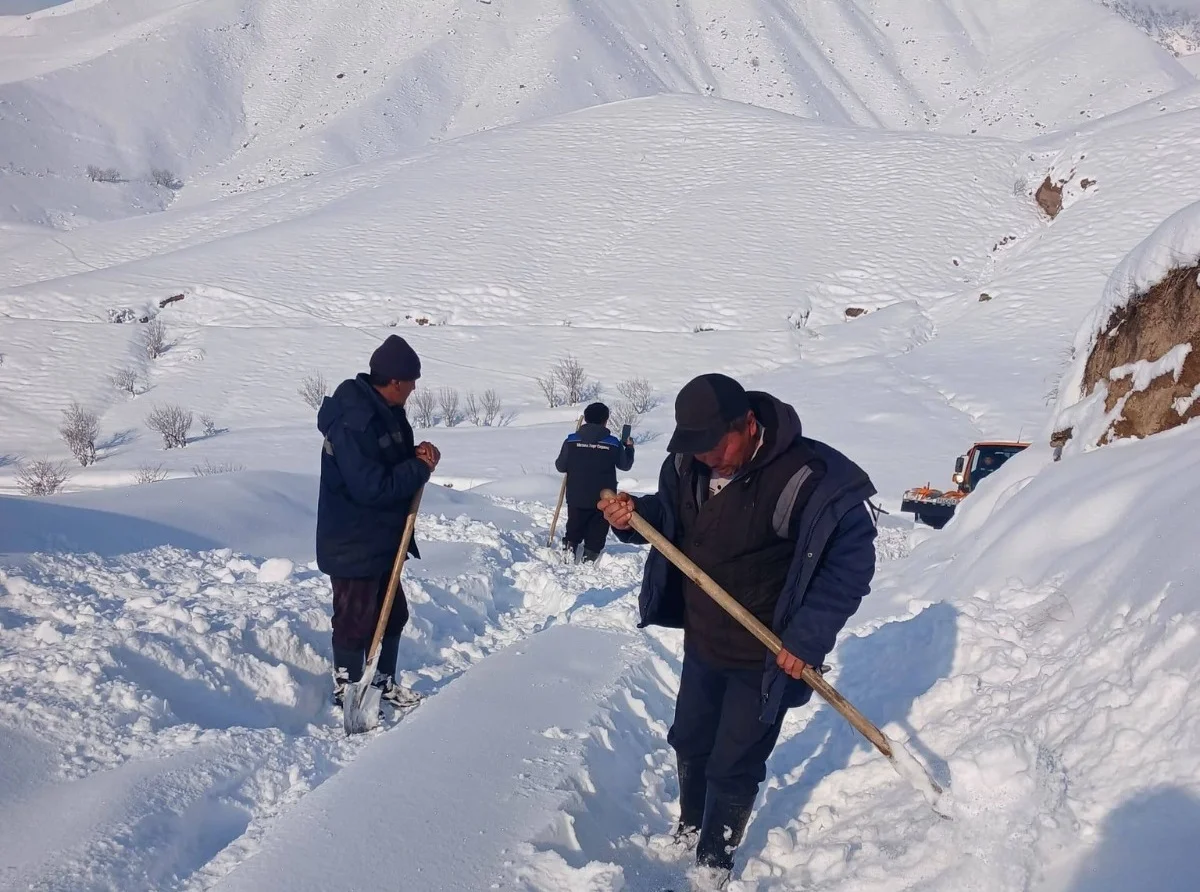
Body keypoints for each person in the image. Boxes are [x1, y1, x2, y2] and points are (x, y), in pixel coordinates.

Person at [599, 374, 877, 886]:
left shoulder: (810, 476)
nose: (706, 457)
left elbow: (850, 565)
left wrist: (807, 640)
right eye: (696, 446)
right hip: (704, 639)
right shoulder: (686, 462)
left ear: (748, 425)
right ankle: (690, 824)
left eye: (715, 445)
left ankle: (714, 859)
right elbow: (673, 519)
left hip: (768, 652)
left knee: (734, 760)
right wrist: (635, 515)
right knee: (691, 741)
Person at [316, 334, 441, 712]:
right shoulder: (355, 421)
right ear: (395, 381)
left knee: (394, 614)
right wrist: (418, 469)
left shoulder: (385, 409)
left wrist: (417, 455)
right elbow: (371, 486)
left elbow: (390, 461)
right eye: (412, 381)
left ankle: (382, 682)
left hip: (382, 538)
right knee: (356, 619)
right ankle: (348, 689)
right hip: (353, 540)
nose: (415, 388)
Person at [554, 402, 635, 563]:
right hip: (604, 498)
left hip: (576, 495)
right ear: (605, 421)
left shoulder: (571, 441)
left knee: (574, 526)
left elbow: (560, 466)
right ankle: (590, 559)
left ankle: (569, 552)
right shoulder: (613, 443)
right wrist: (629, 448)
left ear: (586, 419)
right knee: (597, 532)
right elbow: (625, 465)